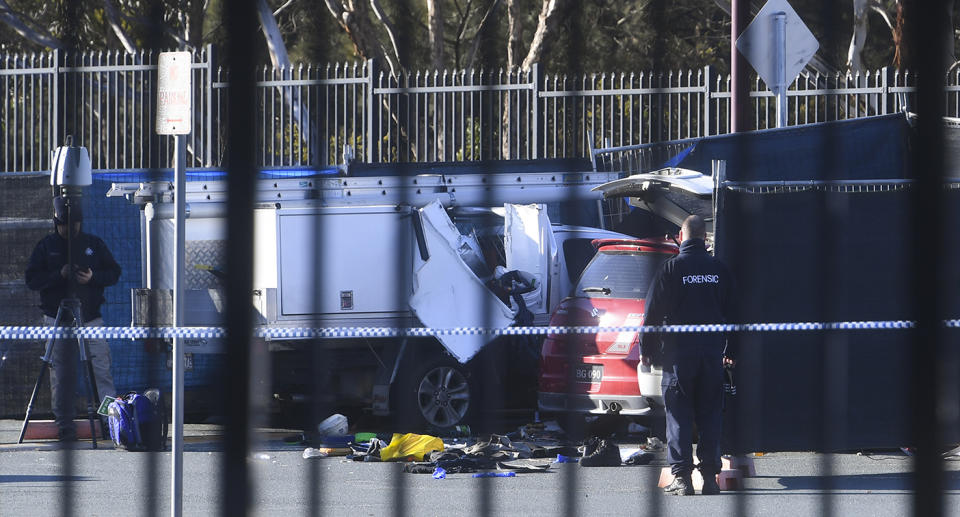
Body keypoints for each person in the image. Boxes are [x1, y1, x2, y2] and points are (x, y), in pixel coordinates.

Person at [640, 214, 736, 496]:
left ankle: (681, 479)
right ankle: (709, 479)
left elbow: (652, 314)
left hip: (678, 357)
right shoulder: (719, 269)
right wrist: (732, 350)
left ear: (681, 238)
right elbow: (736, 314)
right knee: (710, 415)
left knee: (679, 416)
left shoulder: (670, 269)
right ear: (705, 239)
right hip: (711, 355)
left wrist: (647, 350)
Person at [25, 196, 121, 442]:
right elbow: (32, 279)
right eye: (66, 224)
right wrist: (59, 274)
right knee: (60, 373)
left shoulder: (93, 244)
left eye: (75, 224)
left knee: (101, 369)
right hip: (56, 320)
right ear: (56, 222)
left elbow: (114, 272)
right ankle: (65, 424)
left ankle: (109, 419)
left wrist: (93, 277)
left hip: (90, 318)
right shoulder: (46, 246)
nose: (71, 229)